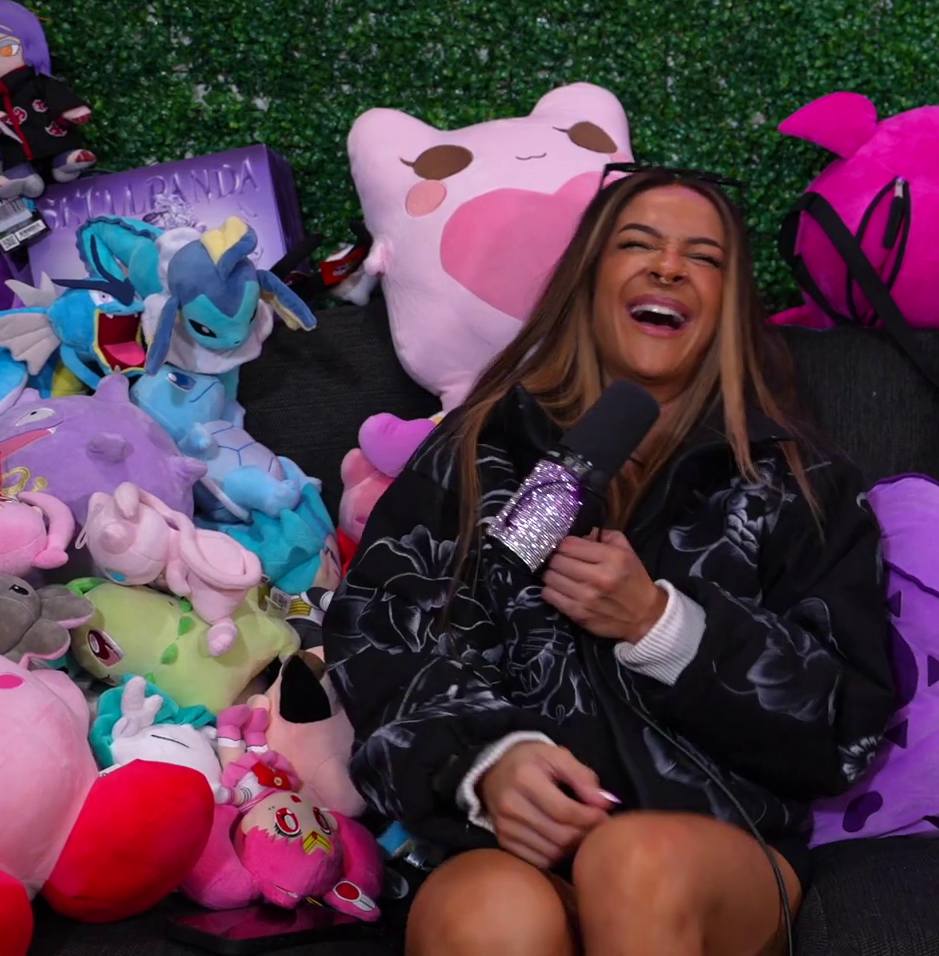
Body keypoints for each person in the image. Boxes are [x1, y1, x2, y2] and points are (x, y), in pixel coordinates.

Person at [325, 165, 896, 956]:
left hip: (713, 846)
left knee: (633, 864)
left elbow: (847, 726)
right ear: (588, 283)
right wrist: (485, 762)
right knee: (490, 914)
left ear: (731, 308)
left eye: (703, 257)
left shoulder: (798, 485)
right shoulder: (485, 450)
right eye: (638, 244)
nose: (668, 267)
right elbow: (383, 640)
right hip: (498, 843)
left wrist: (664, 627)